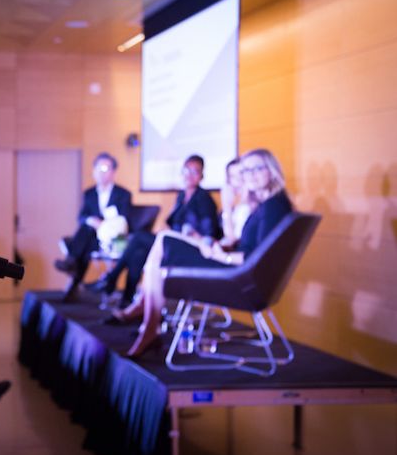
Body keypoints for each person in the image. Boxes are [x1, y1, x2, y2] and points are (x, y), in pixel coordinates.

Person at [114, 149, 293, 358]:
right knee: (163, 241)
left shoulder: (273, 207)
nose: (251, 175)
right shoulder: (268, 204)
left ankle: (147, 322)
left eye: (258, 168)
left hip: (241, 277)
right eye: (246, 170)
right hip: (236, 267)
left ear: (271, 170)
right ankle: (147, 323)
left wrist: (220, 255)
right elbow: (251, 246)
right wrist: (221, 248)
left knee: (164, 243)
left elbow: (256, 258)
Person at [88, 154, 220, 308]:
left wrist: (190, 233)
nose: (189, 175)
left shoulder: (204, 199)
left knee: (138, 237)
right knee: (138, 253)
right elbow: (173, 224)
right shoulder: (182, 196)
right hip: (174, 242)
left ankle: (111, 278)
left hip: (189, 248)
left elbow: (208, 234)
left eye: (195, 171)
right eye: (186, 170)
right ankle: (126, 301)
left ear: (201, 176)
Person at [54, 152, 132, 301]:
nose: (101, 173)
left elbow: (124, 220)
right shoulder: (89, 194)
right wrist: (91, 221)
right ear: (93, 171)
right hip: (93, 238)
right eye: (98, 168)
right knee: (87, 229)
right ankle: (73, 266)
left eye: (105, 169)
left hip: (114, 239)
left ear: (113, 172)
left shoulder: (123, 194)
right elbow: (82, 217)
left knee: (84, 242)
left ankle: (72, 263)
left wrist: (104, 224)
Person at [220, 157, 252, 248]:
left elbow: (233, 238)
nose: (238, 179)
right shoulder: (235, 203)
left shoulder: (250, 205)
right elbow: (228, 236)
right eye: (233, 176)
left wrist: (227, 206)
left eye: (241, 173)